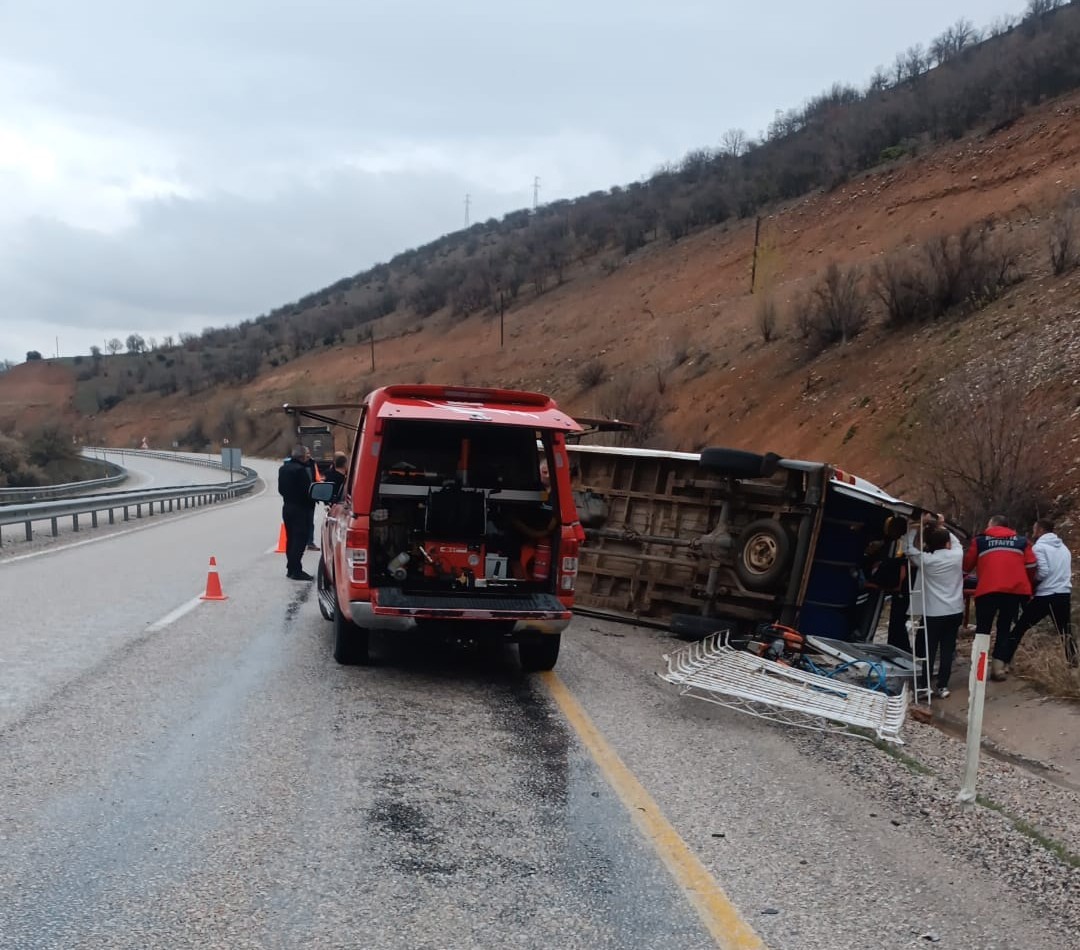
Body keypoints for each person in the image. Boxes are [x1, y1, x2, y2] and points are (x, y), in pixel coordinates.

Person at [993, 518, 1075, 669]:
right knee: (1065, 631)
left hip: (1045, 595)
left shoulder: (1039, 547)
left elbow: (1042, 572)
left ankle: (1004, 661)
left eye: (1034, 529)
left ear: (1041, 530)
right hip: (1063, 593)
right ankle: (1073, 662)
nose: (1033, 532)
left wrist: (1031, 584)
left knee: (1020, 627)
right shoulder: (1064, 548)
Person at [962, 515, 1036, 681]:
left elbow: (966, 566)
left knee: (983, 629)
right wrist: (1026, 582)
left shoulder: (980, 541)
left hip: (987, 591)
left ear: (992, 526)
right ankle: (998, 668)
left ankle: (978, 670)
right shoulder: (1022, 541)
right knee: (1004, 627)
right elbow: (1032, 565)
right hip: (1014, 591)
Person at [906, 523, 965, 698]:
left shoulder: (927, 560)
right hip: (955, 610)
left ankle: (925, 686)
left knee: (929, 649)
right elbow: (957, 542)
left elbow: (909, 549)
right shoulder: (956, 555)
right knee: (948, 648)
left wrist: (914, 530)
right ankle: (943, 686)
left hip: (933, 612)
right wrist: (940, 523)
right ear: (947, 543)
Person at [278, 445, 315, 580]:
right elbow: (307, 491)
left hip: (287, 507)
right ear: (302, 457)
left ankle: (290, 568)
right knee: (300, 540)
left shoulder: (283, 469)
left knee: (291, 538)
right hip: (301, 508)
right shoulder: (301, 470)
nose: (309, 457)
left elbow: (281, 490)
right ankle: (296, 570)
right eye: (307, 455)